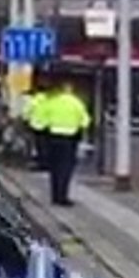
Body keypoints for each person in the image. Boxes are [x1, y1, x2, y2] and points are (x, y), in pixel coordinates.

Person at [42, 78, 91, 206]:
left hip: (53, 137)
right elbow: (85, 122)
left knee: (54, 168)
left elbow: (42, 120)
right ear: (71, 89)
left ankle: (55, 196)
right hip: (69, 139)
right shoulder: (77, 103)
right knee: (65, 168)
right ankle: (62, 196)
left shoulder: (52, 102)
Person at [26, 81, 50, 170]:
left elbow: (27, 112)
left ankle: (41, 162)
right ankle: (46, 162)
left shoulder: (34, 100)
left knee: (39, 145)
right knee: (46, 144)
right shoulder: (49, 100)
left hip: (36, 126)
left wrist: (27, 120)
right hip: (47, 125)